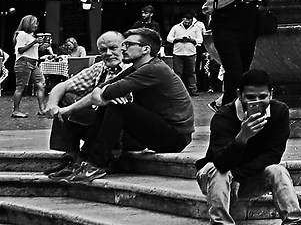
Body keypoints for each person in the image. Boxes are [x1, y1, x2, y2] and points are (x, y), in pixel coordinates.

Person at [47, 25, 197, 182]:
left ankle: (96, 164)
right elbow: (101, 90)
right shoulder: (136, 68)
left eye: (128, 44)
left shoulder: (154, 69)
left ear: (145, 49)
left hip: (175, 138)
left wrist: (102, 95)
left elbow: (106, 92)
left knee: (117, 107)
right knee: (109, 105)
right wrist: (96, 97)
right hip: (153, 130)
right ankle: (81, 161)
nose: (123, 49)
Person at [197, 73, 301, 225]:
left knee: (278, 170)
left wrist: (238, 176)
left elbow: (273, 155)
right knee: (218, 170)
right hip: (216, 175)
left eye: (263, 97)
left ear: (271, 94)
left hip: (246, 176)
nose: (257, 102)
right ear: (240, 95)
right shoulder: (224, 116)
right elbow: (221, 161)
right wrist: (242, 138)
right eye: (251, 97)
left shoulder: (279, 112)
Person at [39, 32, 125, 177]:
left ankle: (86, 159)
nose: (108, 53)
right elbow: (63, 85)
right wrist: (52, 105)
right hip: (98, 120)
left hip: (121, 128)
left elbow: (100, 96)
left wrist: (69, 109)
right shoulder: (100, 67)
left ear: (124, 47)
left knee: (101, 105)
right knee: (65, 96)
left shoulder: (131, 68)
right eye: (103, 50)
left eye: (113, 48)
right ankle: (72, 155)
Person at [165, 8, 208, 96]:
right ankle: (177, 90)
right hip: (178, 53)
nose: (187, 22)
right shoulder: (176, 27)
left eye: (189, 20)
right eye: (185, 20)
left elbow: (200, 40)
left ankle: (192, 90)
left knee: (191, 73)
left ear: (192, 20)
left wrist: (192, 40)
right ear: (182, 19)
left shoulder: (196, 28)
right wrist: (177, 39)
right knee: (178, 72)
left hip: (191, 53)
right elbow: (169, 38)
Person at [8, 16, 43, 118]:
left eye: (37, 23)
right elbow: (20, 50)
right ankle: (16, 111)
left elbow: (32, 50)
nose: (36, 25)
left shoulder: (30, 36)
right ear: (28, 23)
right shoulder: (22, 34)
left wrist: (40, 46)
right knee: (20, 87)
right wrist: (34, 42)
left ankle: (42, 109)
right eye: (34, 23)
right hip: (24, 63)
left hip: (33, 63)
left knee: (41, 84)